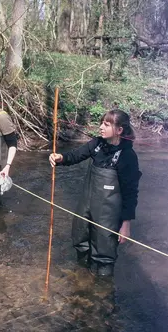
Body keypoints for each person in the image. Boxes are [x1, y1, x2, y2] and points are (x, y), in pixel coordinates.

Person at [49, 109, 141, 277]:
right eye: (101, 123)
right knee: (80, 242)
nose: (100, 128)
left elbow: (131, 193)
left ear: (119, 130)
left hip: (108, 215)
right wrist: (60, 158)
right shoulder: (97, 144)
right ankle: (81, 281)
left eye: (106, 125)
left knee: (104, 254)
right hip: (86, 207)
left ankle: (102, 291)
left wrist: (126, 224)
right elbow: (75, 156)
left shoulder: (127, 156)